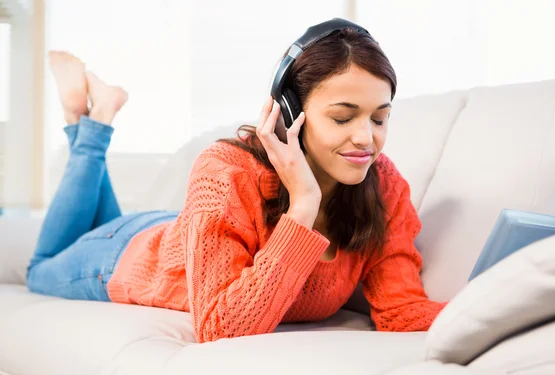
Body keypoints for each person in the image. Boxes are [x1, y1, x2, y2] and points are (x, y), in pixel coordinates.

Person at [27, 19, 446, 343]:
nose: (366, 139)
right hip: (124, 256)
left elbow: (401, 310)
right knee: (39, 269)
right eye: (342, 117)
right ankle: (93, 124)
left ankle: (86, 116)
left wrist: (502, 310)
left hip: (183, 228)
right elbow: (219, 328)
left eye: (379, 118)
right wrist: (303, 205)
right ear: (288, 112)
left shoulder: (383, 184)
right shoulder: (225, 169)